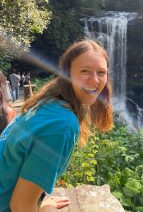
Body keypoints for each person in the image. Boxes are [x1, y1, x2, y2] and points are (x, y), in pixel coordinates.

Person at [0, 39, 113, 212]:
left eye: (101, 72)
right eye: (85, 71)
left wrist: (38, 200)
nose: (95, 80)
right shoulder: (63, 124)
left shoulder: (48, 100)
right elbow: (21, 206)